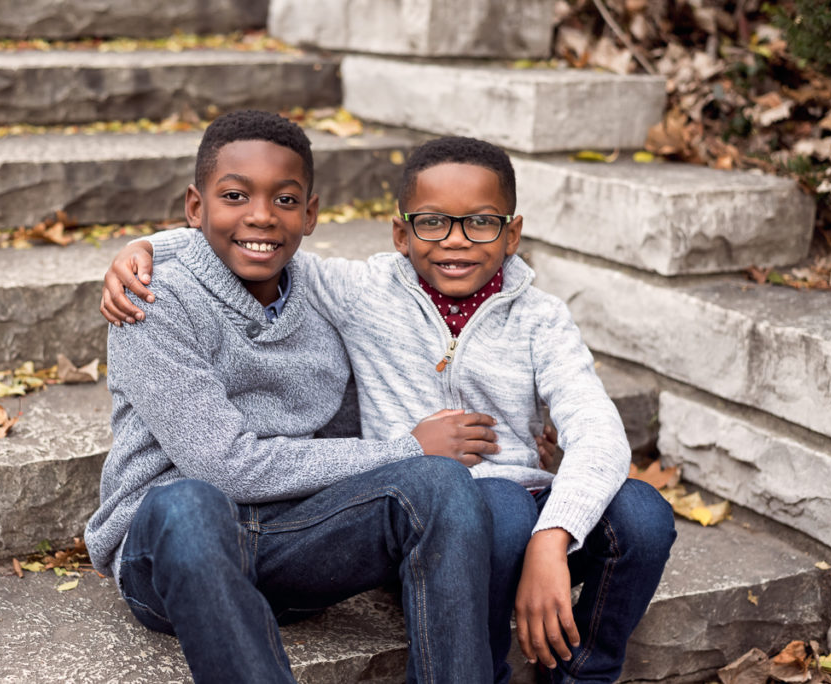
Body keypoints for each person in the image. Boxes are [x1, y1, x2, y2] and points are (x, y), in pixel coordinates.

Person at [103, 135, 678, 683]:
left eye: (480, 222)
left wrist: (554, 532)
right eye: (433, 222)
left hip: (306, 531)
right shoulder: (154, 301)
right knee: (189, 502)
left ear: (511, 233)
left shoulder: (535, 316)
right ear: (402, 234)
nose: (456, 240)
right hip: (181, 542)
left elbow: (597, 428)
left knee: (459, 484)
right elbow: (252, 239)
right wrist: (147, 247)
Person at [84, 111, 508, 684]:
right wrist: (405, 449)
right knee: (189, 502)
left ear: (310, 214)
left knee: (443, 485)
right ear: (194, 207)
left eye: (284, 200)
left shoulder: (324, 292)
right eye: (235, 195)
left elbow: (436, 297)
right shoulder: (150, 298)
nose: (260, 215)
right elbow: (225, 468)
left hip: (295, 541)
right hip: (173, 554)